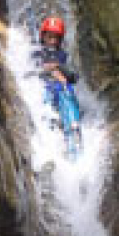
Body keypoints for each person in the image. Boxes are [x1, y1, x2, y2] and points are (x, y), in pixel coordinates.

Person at [34, 16, 83, 157]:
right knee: (47, 101)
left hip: (63, 90)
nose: (53, 41)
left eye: (56, 38)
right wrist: (49, 69)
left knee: (67, 93)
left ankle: (74, 130)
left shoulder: (64, 56)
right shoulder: (36, 53)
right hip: (46, 90)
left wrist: (60, 68)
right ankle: (50, 138)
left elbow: (74, 76)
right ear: (43, 36)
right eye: (50, 37)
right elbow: (31, 72)